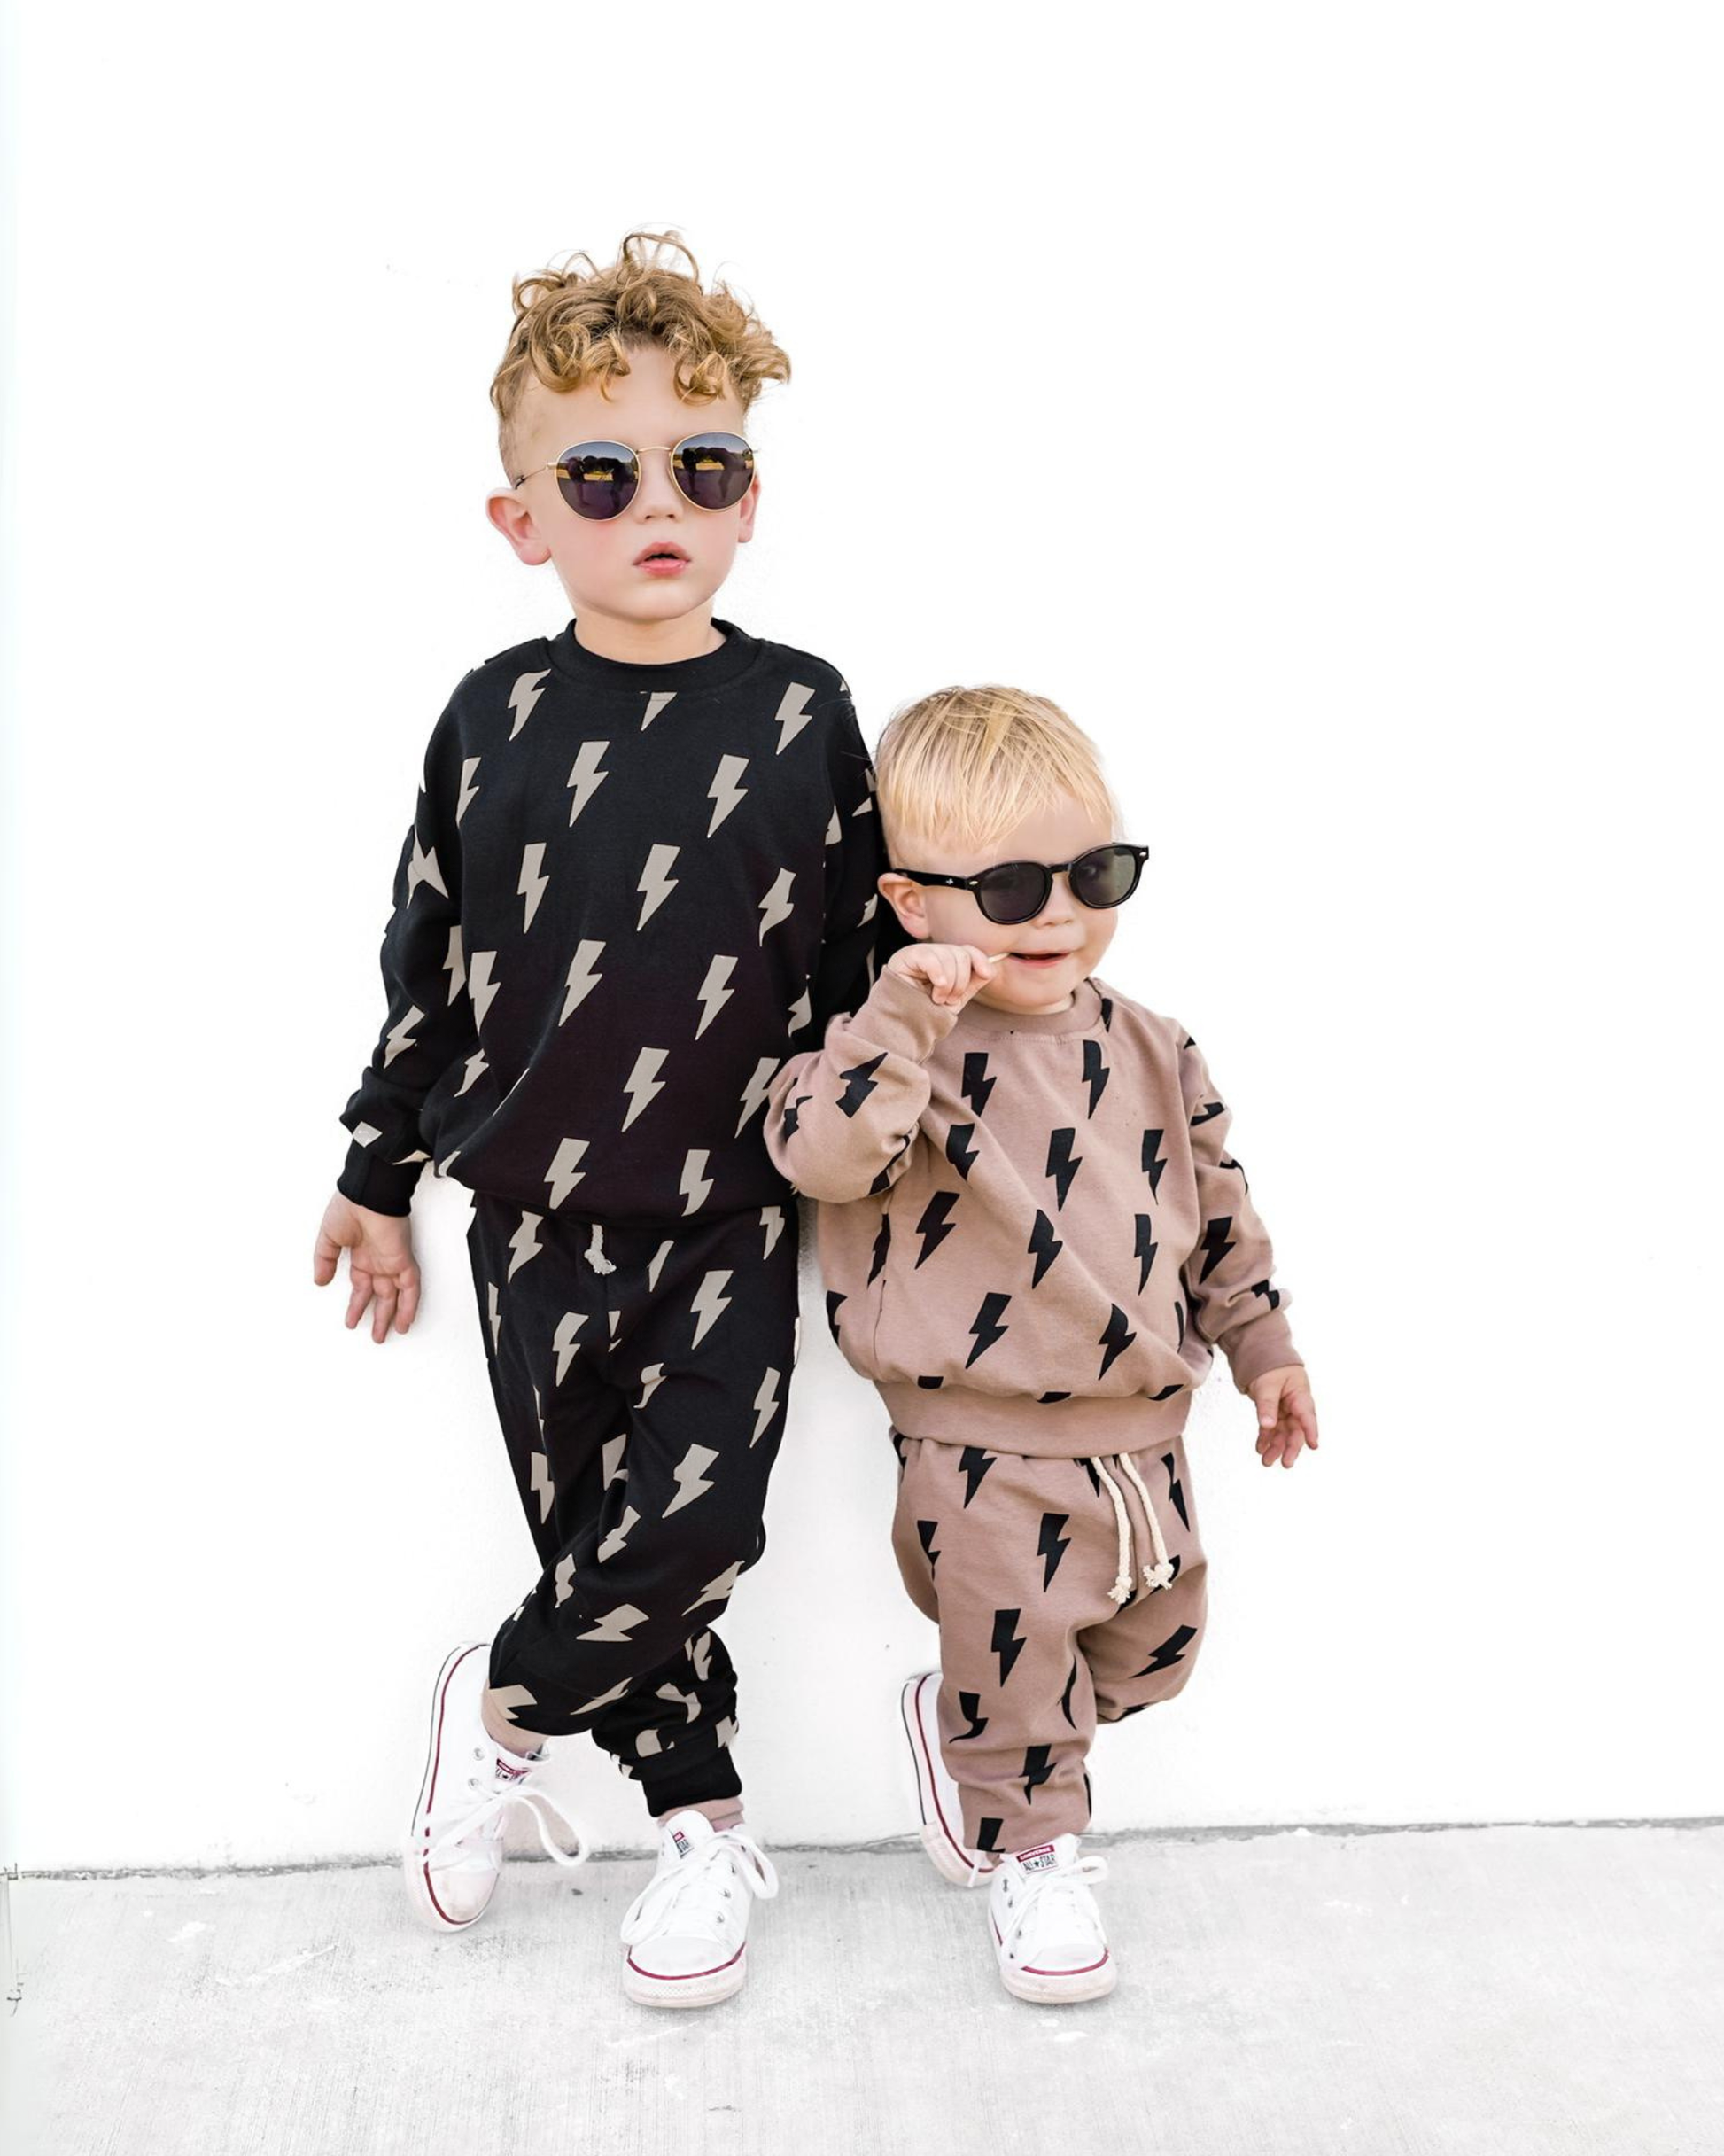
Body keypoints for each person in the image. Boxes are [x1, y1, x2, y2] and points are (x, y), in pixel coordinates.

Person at [311, 232, 885, 2008]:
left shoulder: (798, 711)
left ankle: (498, 1701)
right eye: (602, 471)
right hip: (533, 1215)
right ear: (521, 519)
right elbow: (431, 957)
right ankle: (700, 1815)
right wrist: (374, 1169)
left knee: (696, 1527)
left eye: (701, 468)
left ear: (748, 497)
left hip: (732, 1206)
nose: (660, 501)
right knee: (603, 1545)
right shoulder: (493, 719)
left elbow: (864, 955)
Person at [765, 683, 1319, 2003]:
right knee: (1024, 1698)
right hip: (979, 1443)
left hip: (1145, 1427)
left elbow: (1215, 1200)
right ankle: (1030, 1845)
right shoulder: (885, 1050)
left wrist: (1264, 1346)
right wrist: (900, 1011)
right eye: (1009, 887)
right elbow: (822, 1160)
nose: (1059, 911)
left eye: (1095, 871)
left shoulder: (1151, 1043)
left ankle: (981, 1729)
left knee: (1156, 1652)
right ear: (914, 904)